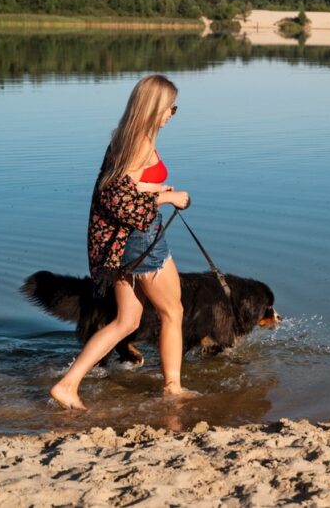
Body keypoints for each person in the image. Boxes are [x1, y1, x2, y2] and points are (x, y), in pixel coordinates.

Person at [50, 74, 193, 410]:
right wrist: (168, 199)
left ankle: (67, 385)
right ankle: (173, 389)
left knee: (127, 321)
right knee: (173, 311)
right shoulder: (140, 143)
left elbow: (119, 186)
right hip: (141, 240)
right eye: (170, 107)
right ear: (154, 107)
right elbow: (119, 201)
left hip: (120, 245)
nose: (172, 114)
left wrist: (155, 188)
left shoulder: (123, 136)